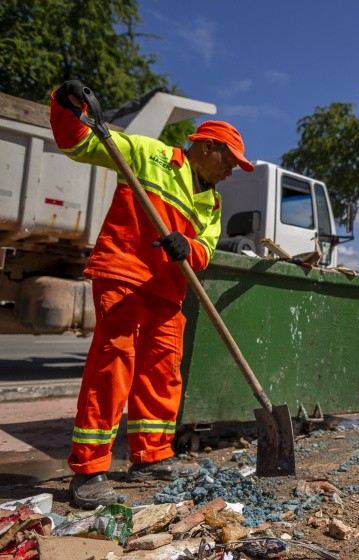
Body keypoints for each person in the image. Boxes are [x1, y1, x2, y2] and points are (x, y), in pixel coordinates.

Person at [50, 80, 254, 508]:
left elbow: (205, 249)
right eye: (231, 161)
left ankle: (152, 456)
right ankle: (89, 470)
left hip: (167, 290)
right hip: (124, 272)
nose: (232, 171)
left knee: (163, 371)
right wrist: (64, 105)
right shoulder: (150, 154)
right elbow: (78, 144)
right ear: (207, 147)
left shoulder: (213, 204)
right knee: (113, 366)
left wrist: (188, 246)